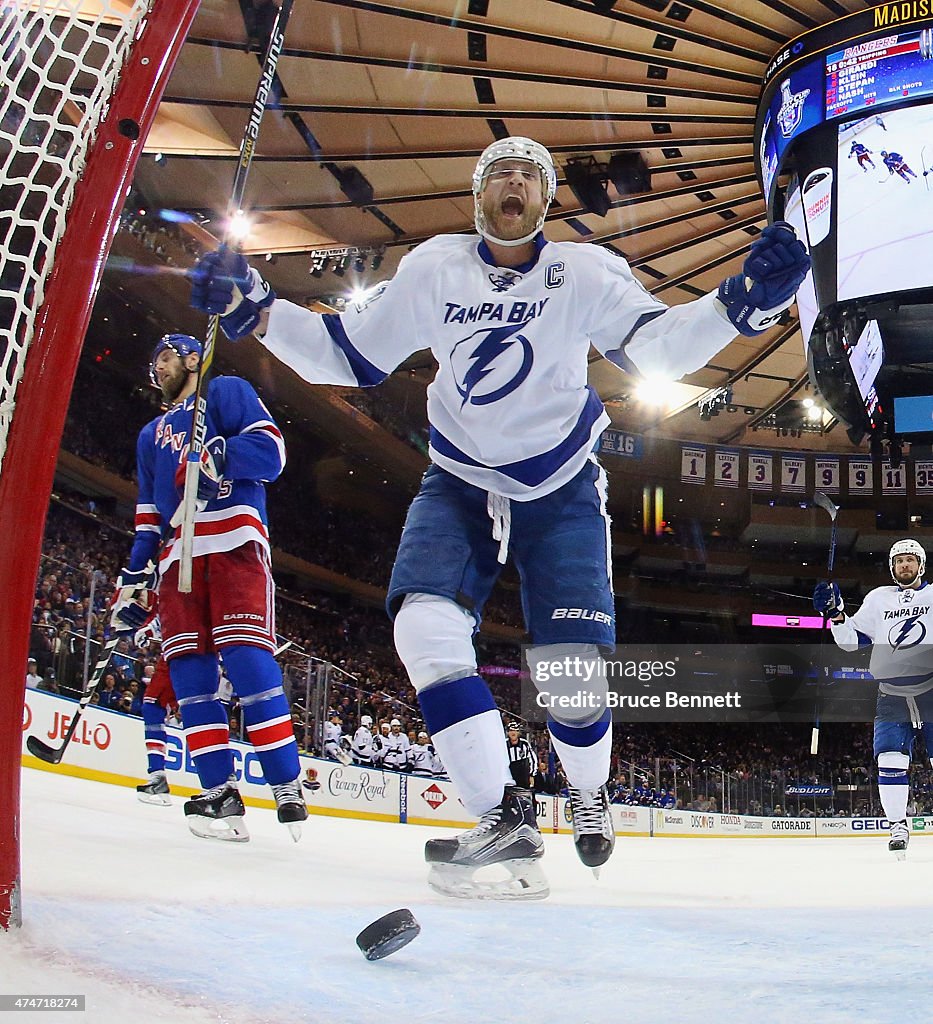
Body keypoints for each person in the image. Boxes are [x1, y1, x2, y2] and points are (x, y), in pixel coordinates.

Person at [189, 135, 810, 899]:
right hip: (457, 478)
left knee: (573, 679)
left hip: (561, 487)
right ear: (478, 193)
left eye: (529, 175)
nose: (513, 184)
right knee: (421, 627)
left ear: (546, 198)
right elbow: (348, 357)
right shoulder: (432, 267)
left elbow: (657, 349)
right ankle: (500, 820)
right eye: (498, 174)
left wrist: (736, 305)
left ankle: (589, 791)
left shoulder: (582, 271)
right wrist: (258, 307)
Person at [111, 333, 306, 843]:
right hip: (177, 556)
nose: (159, 367)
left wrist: (222, 454)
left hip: (233, 536)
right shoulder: (150, 434)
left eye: (168, 357)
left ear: (195, 358)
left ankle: (285, 781)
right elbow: (150, 514)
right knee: (191, 676)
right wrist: (134, 580)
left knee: (245, 658)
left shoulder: (225, 392)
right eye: (154, 361)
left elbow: (271, 451)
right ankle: (218, 792)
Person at [814, 539, 933, 859]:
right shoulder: (878, 599)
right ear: (892, 568)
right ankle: (898, 826)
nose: (905, 565)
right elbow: (851, 642)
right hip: (891, 695)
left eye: (910, 560)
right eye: (899, 561)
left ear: (921, 566)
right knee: (891, 762)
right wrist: (836, 613)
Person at [505, 721, 537, 790]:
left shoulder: (524, 743)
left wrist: (532, 774)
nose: (513, 732)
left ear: (518, 732)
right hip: (509, 773)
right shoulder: (504, 744)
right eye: (511, 730)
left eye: (515, 730)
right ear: (507, 732)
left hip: (523, 774)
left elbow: (533, 759)